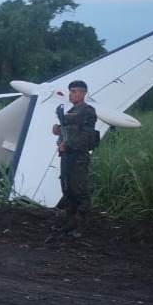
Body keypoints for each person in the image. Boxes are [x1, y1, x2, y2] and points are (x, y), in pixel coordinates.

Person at [48, 79, 98, 240]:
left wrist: (67, 145)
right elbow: (68, 132)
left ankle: (81, 226)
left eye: (75, 91)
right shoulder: (71, 111)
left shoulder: (87, 111)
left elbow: (86, 136)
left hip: (78, 157)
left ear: (83, 93)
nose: (72, 94)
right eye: (71, 91)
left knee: (79, 190)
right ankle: (70, 223)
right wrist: (58, 130)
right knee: (67, 189)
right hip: (67, 156)